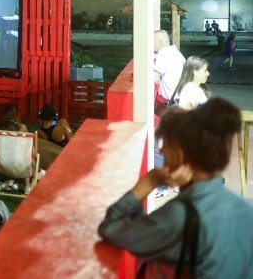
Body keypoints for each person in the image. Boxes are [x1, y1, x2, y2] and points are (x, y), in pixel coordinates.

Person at [98, 97, 253, 278]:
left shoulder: (179, 217)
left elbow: (110, 229)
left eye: (165, 145)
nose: (162, 151)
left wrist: (148, 183)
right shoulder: (244, 208)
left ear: (178, 155)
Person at [153, 30, 185, 110]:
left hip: (174, 105)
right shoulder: (175, 52)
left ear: (160, 42)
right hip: (181, 101)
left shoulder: (164, 53)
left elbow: (154, 78)